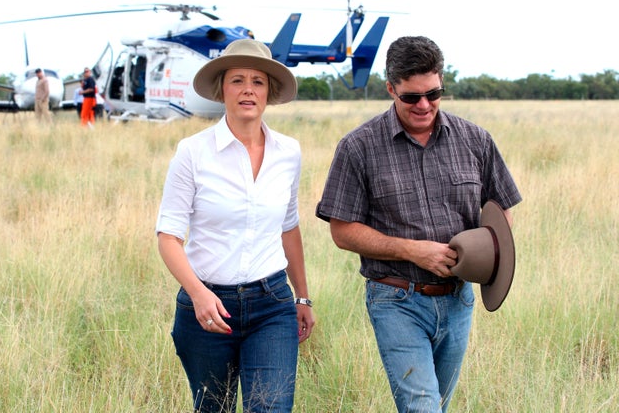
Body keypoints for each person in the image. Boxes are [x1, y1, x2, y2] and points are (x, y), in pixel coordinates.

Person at [316, 36, 522, 412]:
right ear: (391, 88)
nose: (424, 105)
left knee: (437, 405)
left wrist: (486, 258)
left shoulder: (475, 139)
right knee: (421, 406)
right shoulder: (358, 147)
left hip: (459, 300)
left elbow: (501, 211)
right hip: (396, 300)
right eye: (411, 97)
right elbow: (342, 231)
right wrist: (412, 251)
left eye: (434, 93)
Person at [156, 39, 315, 413]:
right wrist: (198, 294)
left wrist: (302, 296)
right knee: (214, 408)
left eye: (258, 81)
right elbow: (168, 237)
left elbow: (288, 227)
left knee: (271, 407)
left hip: (272, 305)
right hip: (207, 307)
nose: (248, 89)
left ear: (269, 92)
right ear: (221, 90)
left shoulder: (289, 153)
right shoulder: (192, 152)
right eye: (237, 80)